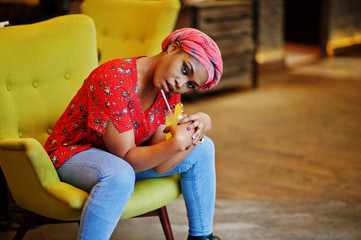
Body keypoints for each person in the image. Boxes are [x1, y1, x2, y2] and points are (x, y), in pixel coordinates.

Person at [44, 28, 223, 240]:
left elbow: (162, 163)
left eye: (190, 85)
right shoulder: (114, 79)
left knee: (204, 148)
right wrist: (175, 144)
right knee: (120, 174)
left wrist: (200, 126)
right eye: (185, 70)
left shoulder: (168, 92)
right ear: (173, 48)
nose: (180, 84)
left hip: (117, 159)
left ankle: (202, 237)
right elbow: (126, 158)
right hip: (72, 153)